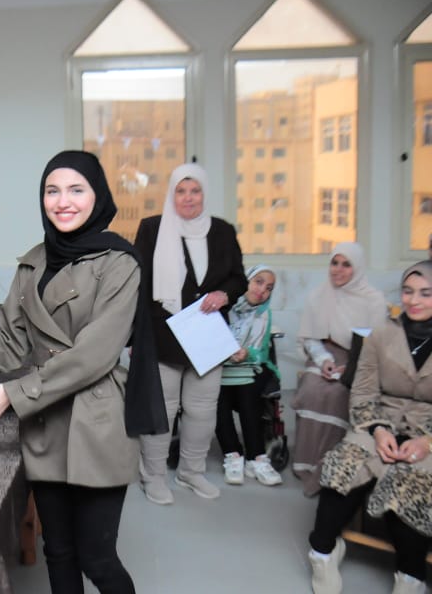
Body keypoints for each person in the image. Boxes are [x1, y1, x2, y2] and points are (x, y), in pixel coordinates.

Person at [0, 150, 167, 594]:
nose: (63, 201)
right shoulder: (34, 263)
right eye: (52, 191)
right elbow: (11, 341)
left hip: (97, 423)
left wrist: (12, 395)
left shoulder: (121, 263)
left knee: (98, 559)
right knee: (58, 552)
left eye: (76, 190)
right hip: (46, 421)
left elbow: (94, 355)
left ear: (98, 196)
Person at [306, 261, 432, 594]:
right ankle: (322, 552)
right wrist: (378, 430)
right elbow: (362, 392)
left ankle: (410, 576)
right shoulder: (382, 333)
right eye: (408, 291)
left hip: (428, 430)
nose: (414, 300)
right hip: (379, 418)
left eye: (426, 293)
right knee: (344, 463)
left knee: (414, 480)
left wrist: (427, 442)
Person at [135, 163, 247, 504]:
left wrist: (224, 294)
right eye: (181, 191)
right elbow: (138, 286)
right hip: (163, 334)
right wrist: (136, 339)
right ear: (171, 194)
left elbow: (239, 279)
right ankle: (153, 476)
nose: (188, 197)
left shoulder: (223, 231)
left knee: (203, 408)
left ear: (204, 194)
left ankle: (191, 471)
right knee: (162, 409)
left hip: (207, 334)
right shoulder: (152, 229)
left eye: (195, 190)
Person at [292, 242, 388, 496]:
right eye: (335, 263)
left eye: (346, 264)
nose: (338, 270)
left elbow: (376, 345)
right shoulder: (319, 295)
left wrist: (351, 365)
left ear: (358, 267)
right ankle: (306, 465)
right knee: (312, 390)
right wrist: (324, 359)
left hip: (362, 358)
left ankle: (329, 468)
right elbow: (311, 337)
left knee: (338, 393)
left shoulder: (373, 300)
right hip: (325, 353)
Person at [216, 264, 283, 486]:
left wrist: (247, 353)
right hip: (219, 366)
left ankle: (257, 457)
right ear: (246, 281)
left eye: (269, 288)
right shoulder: (224, 308)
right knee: (217, 395)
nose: (262, 290)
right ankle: (233, 454)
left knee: (248, 391)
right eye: (258, 282)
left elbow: (261, 352)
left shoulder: (264, 314)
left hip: (252, 365)